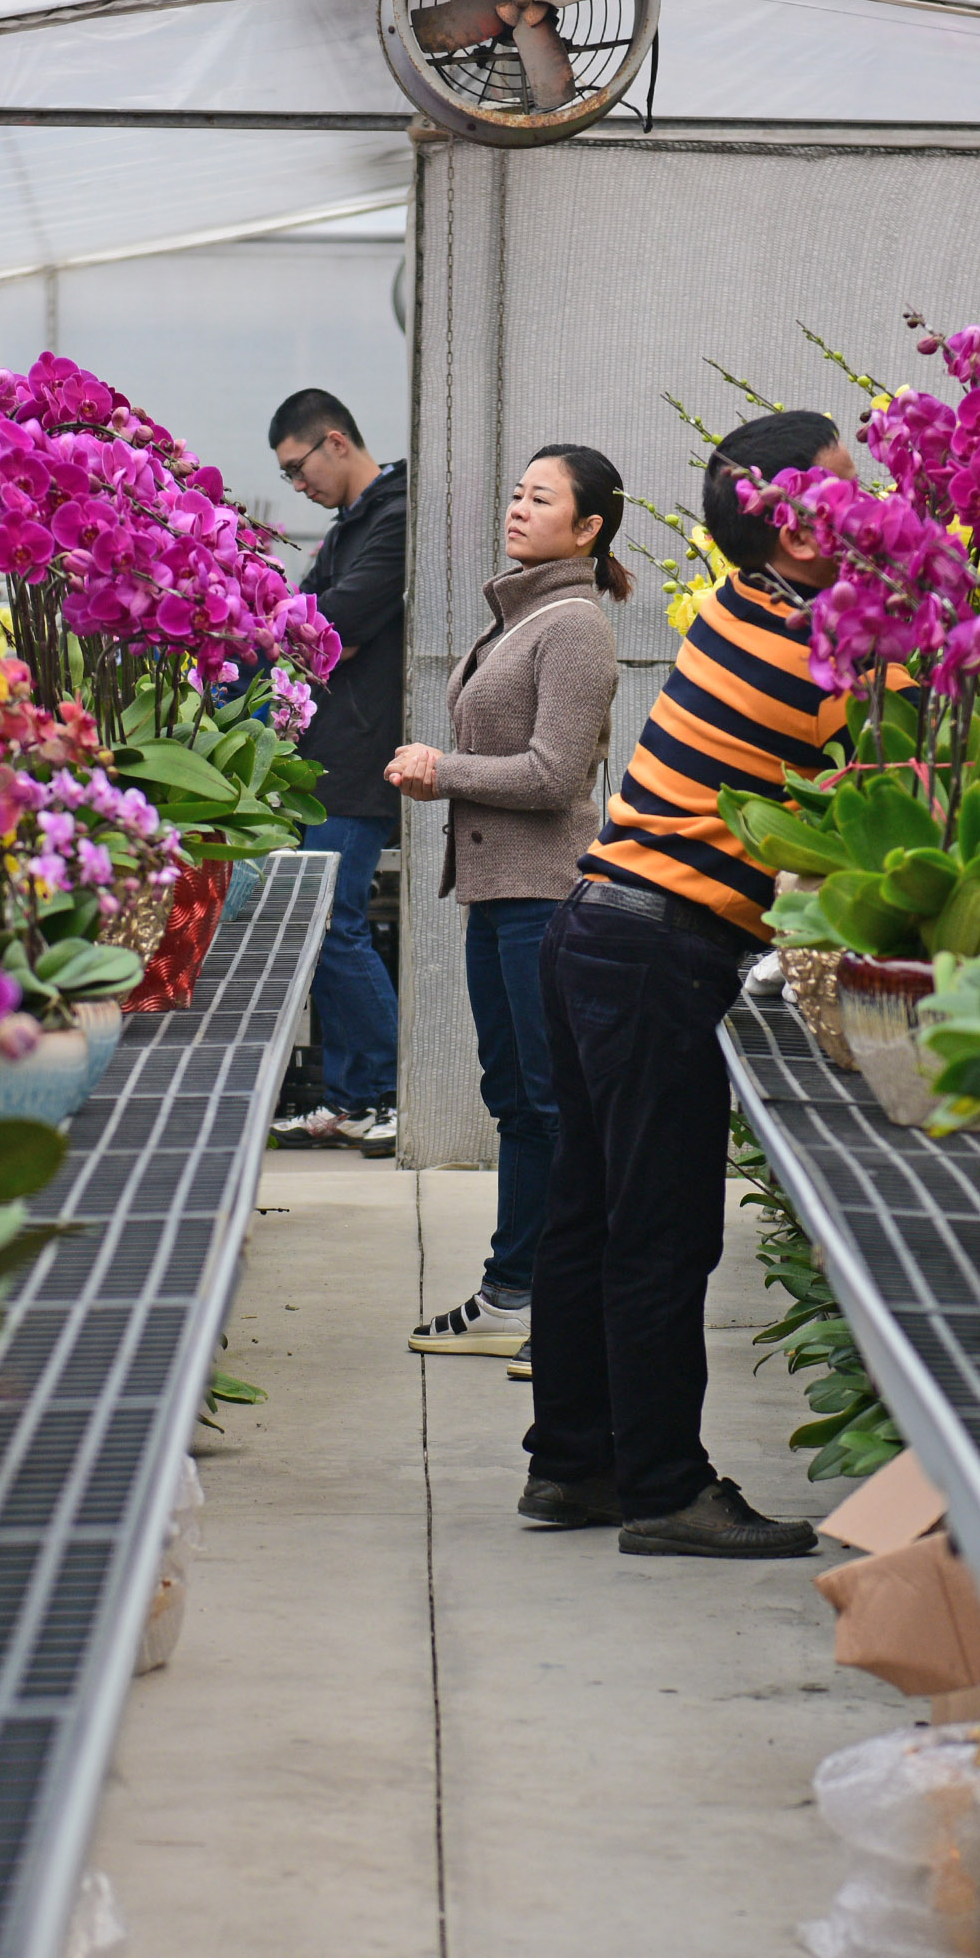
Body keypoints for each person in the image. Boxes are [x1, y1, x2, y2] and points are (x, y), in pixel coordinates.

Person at [524, 409, 857, 1559]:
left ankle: (574, 1463)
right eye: (843, 488)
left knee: (589, 1212)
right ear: (792, 524)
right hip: (660, 951)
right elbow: (921, 745)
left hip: (595, 931)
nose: (868, 508)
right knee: (662, 1231)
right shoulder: (816, 655)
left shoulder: (732, 607)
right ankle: (665, 1486)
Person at [385, 446, 625, 1363]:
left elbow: (556, 775)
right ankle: (512, 1293)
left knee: (552, 1104)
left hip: (546, 896)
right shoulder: (522, 614)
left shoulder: (572, 625)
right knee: (517, 1102)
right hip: (497, 897)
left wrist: (443, 771)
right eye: (516, 492)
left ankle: (556, 1304)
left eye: (540, 497)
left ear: (589, 525)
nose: (518, 508)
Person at [265, 388, 406, 1154]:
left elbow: (332, 621)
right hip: (326, 754)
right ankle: (351, 1096)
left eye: (296, 468)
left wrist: (322, 631)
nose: (296, 487)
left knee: (332, 922)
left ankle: (389, 1092)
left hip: (359, 751)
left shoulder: (397, 513)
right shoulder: (357, 522)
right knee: (321, 924)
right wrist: (316, 630)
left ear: (333, 441)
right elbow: (303, 619)